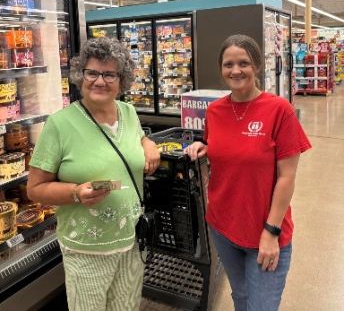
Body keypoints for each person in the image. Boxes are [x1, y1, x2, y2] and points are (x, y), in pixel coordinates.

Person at [27, 37, 160, 311]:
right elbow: (35, 189)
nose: (100, 81)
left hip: (131, 242)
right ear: (81, 76)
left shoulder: (129, 112)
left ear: (121, 80)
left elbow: (136, 141)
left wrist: (148, 144)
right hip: (86, 250)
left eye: (110, 74)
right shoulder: (59, 125)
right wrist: (75, 193)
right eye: (92, 72)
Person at [185, 34, 311, 311]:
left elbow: (287, 178)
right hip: (222, 225)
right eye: (228, 64)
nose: (236, 70)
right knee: (240, 297)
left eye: (243, 63)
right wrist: (203, 145)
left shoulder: (280, 110)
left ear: (256, 66)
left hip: (264, 231)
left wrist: (271, 231)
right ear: (221, 69)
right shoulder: (215, 111)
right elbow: (219, 146)